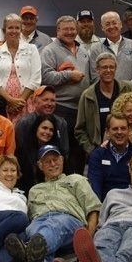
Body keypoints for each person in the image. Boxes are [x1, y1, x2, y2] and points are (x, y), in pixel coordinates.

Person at [0, 145, 101, 262]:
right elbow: (30, 217)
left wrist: (87, 240)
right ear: (40, 165)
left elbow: (93, 209)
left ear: (62, 160)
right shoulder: (34, 190)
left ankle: (27, 251)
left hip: (68, 220)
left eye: (55, 159)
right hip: (39, 223)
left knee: (52, 226)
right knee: (29, 231)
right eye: (48, 161)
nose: (53, 164)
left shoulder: (76, 180)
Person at [75, 52, 132, 157]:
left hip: (128, 152)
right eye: (104, 67)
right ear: (97, 70)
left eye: (111, 67)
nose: (108, 70)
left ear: (116, 69)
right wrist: (92, 151)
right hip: (100, 152)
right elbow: (79, 130)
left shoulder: (127, 87)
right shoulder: (87, 96)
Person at [40, 15, 92, 166]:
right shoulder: (49, 50)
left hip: (82, 109)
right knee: (63, 151)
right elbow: (45, 77)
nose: (69, 32)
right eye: (65, 29)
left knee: (79, 151)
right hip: (61, 109)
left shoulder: (82, 50)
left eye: (72, 29)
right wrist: (69, 75)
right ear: (58, 31)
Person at [0, 13, 42, 120]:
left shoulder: (32, 49)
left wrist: (20, 102)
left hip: (26, 103)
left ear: (21, 30)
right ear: (4, 30)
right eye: (10, 28)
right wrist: (10, 100)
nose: (14, 31)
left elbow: (35, 78)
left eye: (17, 28)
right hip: (3, 104)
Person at [86, 113, 132, 200]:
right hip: (106, 205)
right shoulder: (97, 155)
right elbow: (95, 188)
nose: (119, 132)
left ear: (129, 130)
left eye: (123, 128)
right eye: (115, 129)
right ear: (107, 132)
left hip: (131, 204)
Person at [88, 11, 132, 88]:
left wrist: (129, 87)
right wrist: (110, 90)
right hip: (106, 95)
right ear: (102, 28)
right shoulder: (95, 49)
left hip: (131, 93)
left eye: (114, 23)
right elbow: (95, 75)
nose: (111, 26)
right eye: (107, 24)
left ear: (120, 24)